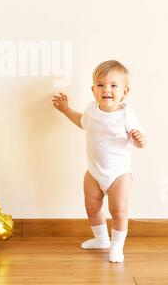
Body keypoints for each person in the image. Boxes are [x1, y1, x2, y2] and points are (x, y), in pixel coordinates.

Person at [52, 60, 147, 263]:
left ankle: (117, 246)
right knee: (91, 206)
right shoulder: (92, 109)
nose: (107, 90)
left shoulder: (126, 113)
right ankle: (101, 239)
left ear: (125, 92)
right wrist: (66, 110)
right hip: (94, 171)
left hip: (119, 173)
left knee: (118, 209)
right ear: (93, 90)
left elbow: (141, 140)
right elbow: (82, 122)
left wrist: (139, 139)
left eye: (114, 85)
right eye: (101, 85)